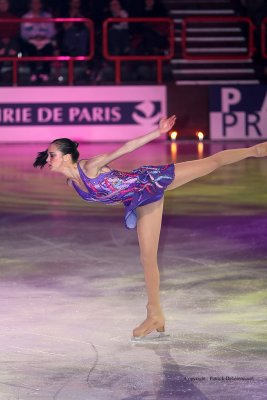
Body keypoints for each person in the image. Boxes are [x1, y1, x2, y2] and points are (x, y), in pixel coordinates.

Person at [33, 115, 267, 339]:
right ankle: (155, 315)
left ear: (66, 156)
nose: (47, 158)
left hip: (150, 182)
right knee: (147, 258)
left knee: (210, 162)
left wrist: (159, 131)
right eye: (48, 155)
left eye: (51, 155)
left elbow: (126, 148)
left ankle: (255, 150)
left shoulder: (90, 167)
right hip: (138, 201)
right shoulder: (73, 183)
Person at [20, 0, 56, 82]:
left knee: (48, 48)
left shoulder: (48, 16)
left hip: (45, 40)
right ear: (30, 5)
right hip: (32, 41)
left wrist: (43, 36)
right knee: (30, 48)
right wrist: (33, 37)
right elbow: (23, 34)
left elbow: (52, 32)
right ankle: (33, 73)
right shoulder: (25, 17)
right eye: (33, 3)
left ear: (41, 4)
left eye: (38, 3)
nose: (36, 5)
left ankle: (46, 73)